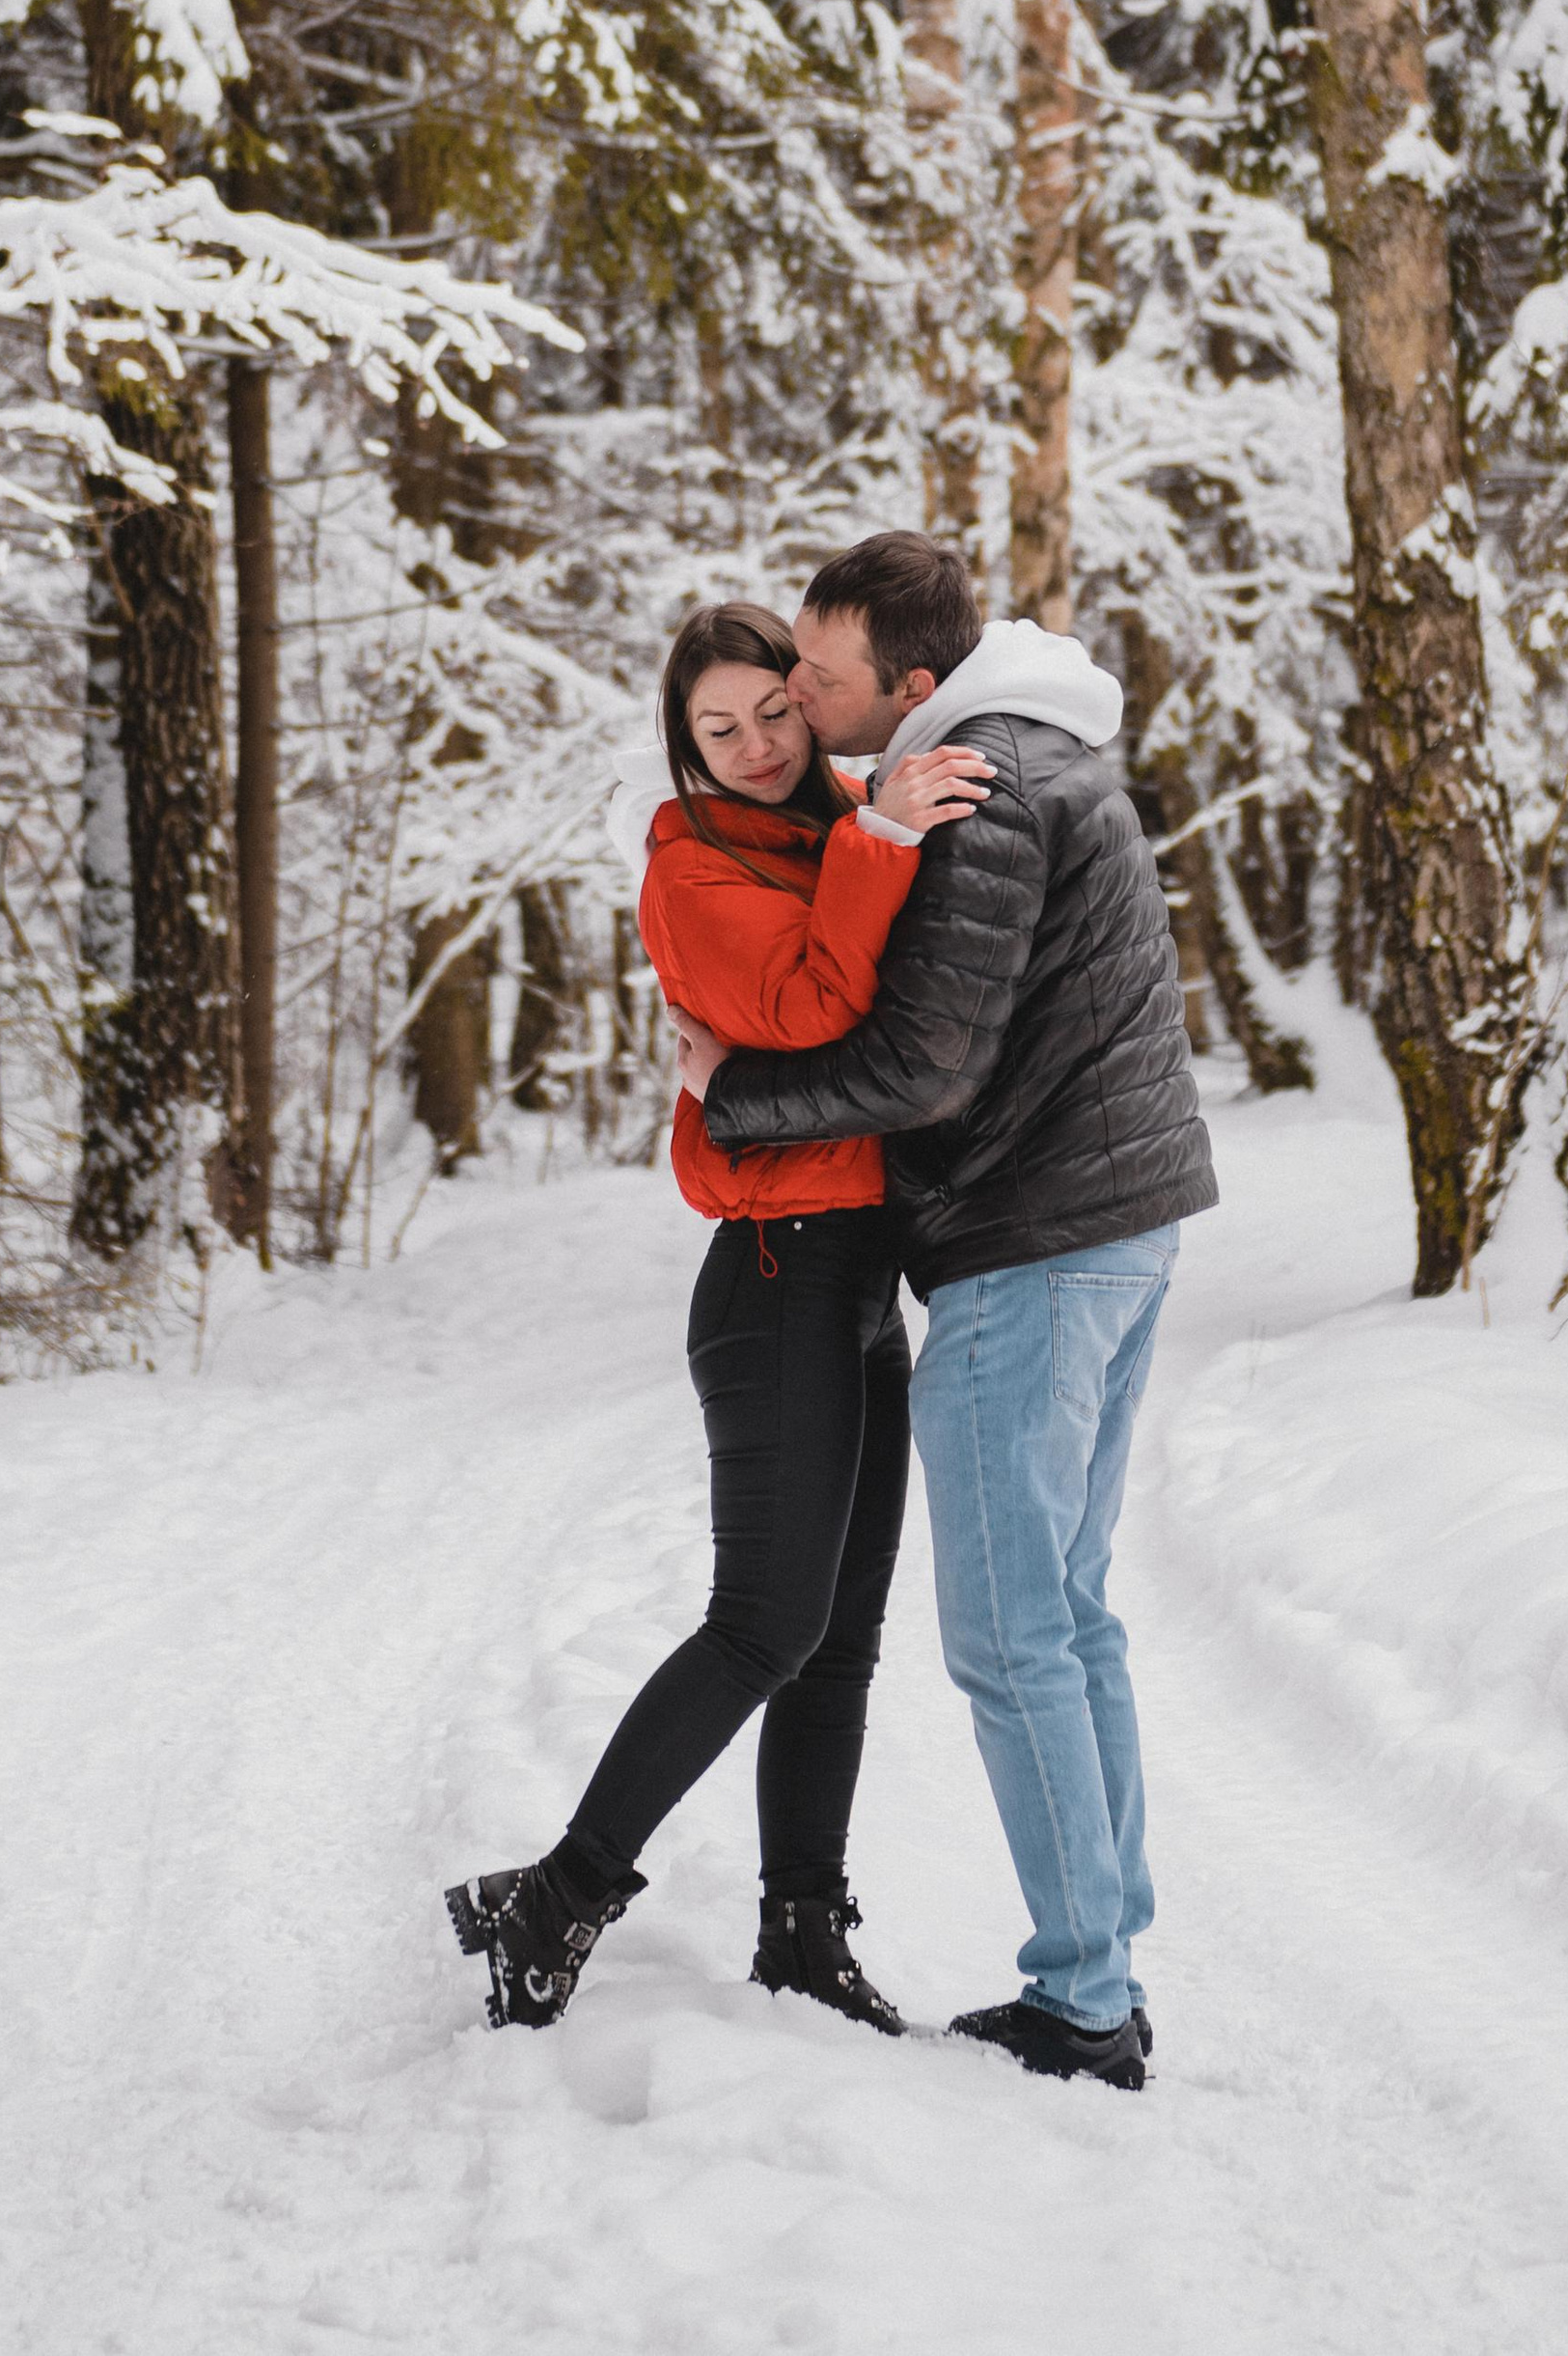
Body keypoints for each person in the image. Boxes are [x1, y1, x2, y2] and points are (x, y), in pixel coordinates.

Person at [673, 533, 1217, 2090]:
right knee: (1074, 1609)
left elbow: (924, 1067)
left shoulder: (980, 789)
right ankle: (1104, 1957)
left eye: (820, 677)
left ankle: (1086, 2004)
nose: (796, 693)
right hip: (1110, 1233)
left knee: (1009, 1635)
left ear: (907, 685)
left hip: (1034, 1245)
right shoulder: (1022, 754)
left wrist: (736, 1096)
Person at [446, 599, 993, 2036]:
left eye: (772, 713)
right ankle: (558, 1898)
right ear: (679, 747)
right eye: (716, 728)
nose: (752, 746)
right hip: (771, 1281)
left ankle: (804, 1932)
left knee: (842, 1640)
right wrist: (880, 846)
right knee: (762, 1625)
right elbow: (818, 1011)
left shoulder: (829, 825)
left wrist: (881, 822)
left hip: (857, 1277)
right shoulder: (692, 869)